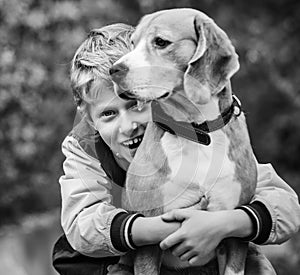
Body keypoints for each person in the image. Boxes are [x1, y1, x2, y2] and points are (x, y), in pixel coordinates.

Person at [52, 23, 300, 275]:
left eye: (137, 104)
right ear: (89, 118)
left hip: (220, 254)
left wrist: (223, 224)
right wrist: (164, 229)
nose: (129, 126)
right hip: (136, 256)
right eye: (108, 114)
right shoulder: (85, 148)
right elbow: (82, 225)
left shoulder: (200, 131)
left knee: (256, 266)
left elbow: (285, 206)